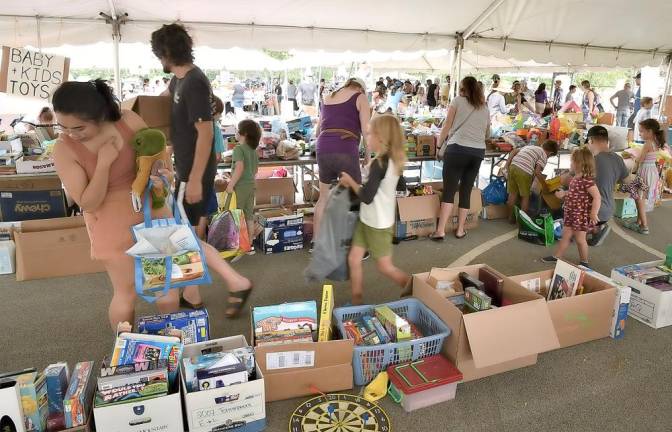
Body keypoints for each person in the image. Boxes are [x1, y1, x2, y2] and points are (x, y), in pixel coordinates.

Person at [151, 23, 252, 317]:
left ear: (165, 54)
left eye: (159, 55)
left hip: (195, 173)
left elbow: (205, 133)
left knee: (183, 236)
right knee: (182, 235)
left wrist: (195, 179)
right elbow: (158, 101)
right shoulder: (179, 82)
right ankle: (193, 293)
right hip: (185, 171)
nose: (160, 61)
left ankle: (236, 281)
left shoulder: (194, 82)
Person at [338, 114, 410, 305]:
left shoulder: (380, 164)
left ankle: (413, 287)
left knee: (385, 267)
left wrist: (350, 182)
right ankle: (357, 302)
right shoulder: (392, 160)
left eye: (369, 134)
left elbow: (367, 197)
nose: (366, 138)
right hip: (370, 218)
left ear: (381, 137)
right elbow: (399, 186)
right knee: (354, 259)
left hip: (377, 224)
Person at [430, 76, 490, 240]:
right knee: (466, 190)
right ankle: (460, 230)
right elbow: (487, 133)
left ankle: (440, 230)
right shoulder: (484, 107)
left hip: (457, 149)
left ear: (463, 89)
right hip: (477, 153)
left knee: (449, 191)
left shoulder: (457, 101)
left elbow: (447, 125)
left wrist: (439, 146)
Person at [312, 78, 371, 246]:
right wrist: (368, 155)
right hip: (345, 147)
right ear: (361, 88)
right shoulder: (360, 97)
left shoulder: (329, 97)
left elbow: (318, 131)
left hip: (323, 147)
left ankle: (316, 242)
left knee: (323, 198)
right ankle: (355, 245)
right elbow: (367, 132)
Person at [542, 147, 601, 268]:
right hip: (570, 212)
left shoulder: (587, 180)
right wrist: (564, 194)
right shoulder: (576, 178)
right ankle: (557, 256)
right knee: (566, 235)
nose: (570, 163)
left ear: (579, 163)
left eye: (572, 161)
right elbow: (575, 193)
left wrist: (594, 213)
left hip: (580, 214)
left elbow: (597, 197)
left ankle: (584, 262)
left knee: (580, 240)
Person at [585, 125, 630, 246]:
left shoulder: (590, 159)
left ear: (591, 140)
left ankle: (591, 229)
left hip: (594, 210)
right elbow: (628, 183)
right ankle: (597, 228)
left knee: (566, 195)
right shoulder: (618, 159)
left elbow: (569, 180)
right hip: (609, 210)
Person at [621, 118, 667, 234]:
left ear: (650, 131)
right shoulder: (656, 141)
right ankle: (639, 222)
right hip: (651, 171)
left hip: (645, 172)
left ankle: (644, 226)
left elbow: (640, 159)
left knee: (639, 198)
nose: (640, 134)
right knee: (639, 196)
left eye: (642, 131)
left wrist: (631, 155)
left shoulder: (647, 144)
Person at [226, 119, 260, 246]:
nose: (235, 132)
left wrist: (230, 185)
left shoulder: (238, 149)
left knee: (236, 215)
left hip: (240, 186)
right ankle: (249, 244)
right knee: (249, 216)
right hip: (251, 185)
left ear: (244, 133)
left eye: (237, 129)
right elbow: (255, 170)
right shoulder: (253, 151)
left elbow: (239, 168)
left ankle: (238, 244)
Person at [504, 140, 559, 218]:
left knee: (512, 194)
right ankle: (522, 221)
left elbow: (514, 151)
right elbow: (537, 172)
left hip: (513, 167)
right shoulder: (544, 155)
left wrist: (506, 165)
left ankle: (510, 218)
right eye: (550, 156)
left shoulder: (530, 147)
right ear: (551, 153)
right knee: (525, 197)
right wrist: (544, 185)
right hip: (524, 171)